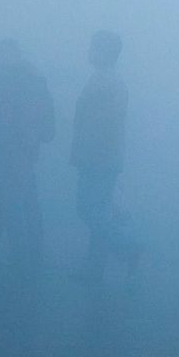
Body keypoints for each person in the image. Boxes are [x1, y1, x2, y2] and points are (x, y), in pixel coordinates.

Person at [0, 39, 55, 274]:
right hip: (27, 151)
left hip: (7, 151)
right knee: (26, 203)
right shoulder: (36, 78)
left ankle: (14, 256)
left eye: (0, 54)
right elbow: (47, 124)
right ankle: (33, 254)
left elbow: (1, 119)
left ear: (11, 54)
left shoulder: (5, 80)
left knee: (7, 203)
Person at [70, 30, 140, 282]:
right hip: (99, 156)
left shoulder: (109, 82)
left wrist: (86, 153)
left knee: (89, 208)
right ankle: (94, 268)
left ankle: (128, 248)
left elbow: (104, 124)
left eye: (93, 47)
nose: (89, 51)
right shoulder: (102, 78)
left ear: (104, 52)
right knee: (99, 209)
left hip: (99, 157)